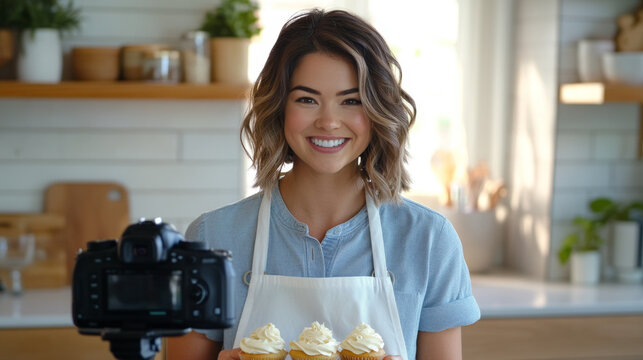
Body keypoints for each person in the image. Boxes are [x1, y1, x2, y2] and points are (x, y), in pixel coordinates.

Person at [167, 8, 480, 360]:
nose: (329, 121)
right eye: (306, 99)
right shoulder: (211, 237)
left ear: (378, 111)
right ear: (279, 108)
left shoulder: (428, 240)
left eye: (351, 101)